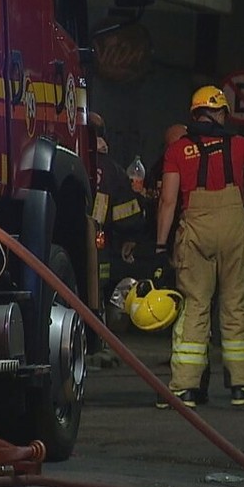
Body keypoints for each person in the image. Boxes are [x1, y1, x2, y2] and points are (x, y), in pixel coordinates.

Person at [153, 86, 244, 409]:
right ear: (222, 113)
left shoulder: (177, 150)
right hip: (233, 228)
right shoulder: (237, 144)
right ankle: (242, 387)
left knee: (195, 306)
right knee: (236, 305)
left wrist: (160, 245)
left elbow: (169, 201)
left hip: (196, 228)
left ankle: (185, 388)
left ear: (194, 113)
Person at [89, 112, 147, 336]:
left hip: (70, 240)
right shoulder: (113, 170)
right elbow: (128, 216)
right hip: (100, 244)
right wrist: (131, 238)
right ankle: (99, 336)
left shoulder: (70, 159)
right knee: (99, 291)